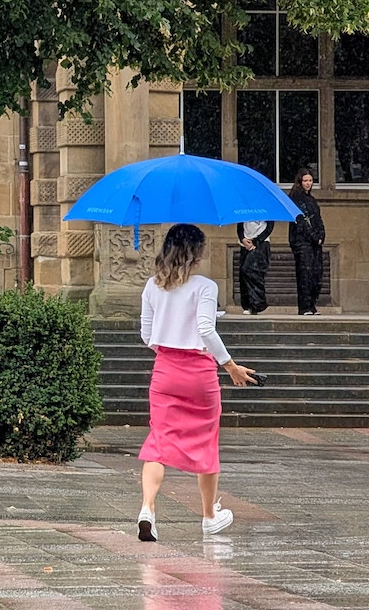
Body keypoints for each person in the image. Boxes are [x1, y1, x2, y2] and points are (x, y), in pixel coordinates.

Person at [137, 224, 256, 542]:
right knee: (206, 442)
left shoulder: (153, 285)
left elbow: (146, 334)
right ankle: (208, 516)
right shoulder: (205, 286)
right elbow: (206, 328)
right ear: (197, 253)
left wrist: (168, 345)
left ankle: (147, 509)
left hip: (164, 369)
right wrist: (229, 365)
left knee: (159, 443)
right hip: (199, 373)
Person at [287, 168, 325, 315]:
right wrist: (314, 236)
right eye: (305, 181)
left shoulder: (311, 199)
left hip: (314, 242)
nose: (308, 183)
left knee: (316, 273)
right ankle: (304, 306)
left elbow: (318, 219)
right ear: (300, 182)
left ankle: (312, 305)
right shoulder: (297, 198)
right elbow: (302, 221)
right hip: (301, 241)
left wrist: (321, 234)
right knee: (305, 273)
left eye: (310, 180)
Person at [236, 220, 273, 315]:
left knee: (250, 270)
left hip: (261, 243)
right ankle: (248, 305)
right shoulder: (243, 208)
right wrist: (242, 239)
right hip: (245, 244)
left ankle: (258, 303)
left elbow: (269, 228)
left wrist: (256, 241)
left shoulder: (267, 208)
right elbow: (239, 226)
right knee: (243, 274)